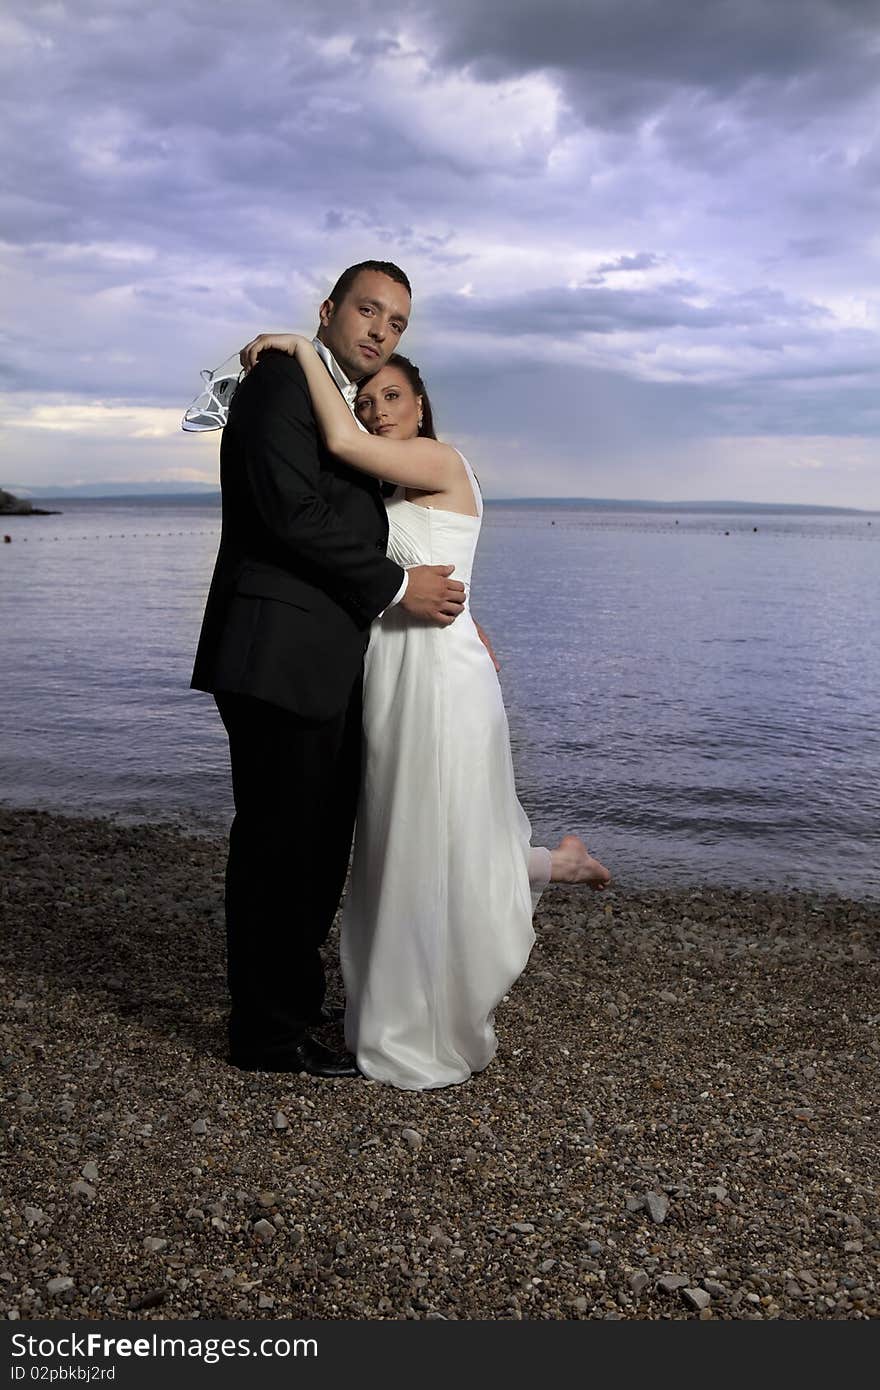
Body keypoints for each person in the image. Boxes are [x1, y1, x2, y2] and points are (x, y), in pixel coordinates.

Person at [237, 332, 611, 1089]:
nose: (377, 412)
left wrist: (301, 351)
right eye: (370, 400)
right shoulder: (389, 492)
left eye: (393, 397)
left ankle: (426, 1022)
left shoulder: (439, 461)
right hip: (393, 675)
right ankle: (548, 867)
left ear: (422, 406)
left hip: (439, 679)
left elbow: (336, 437)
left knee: (429, 830)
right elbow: (409, 567)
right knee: (403, 839)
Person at [191, 260, 468, 1078]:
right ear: (329, 310)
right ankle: (267, 1037)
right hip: (277, 652)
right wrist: (394, 586)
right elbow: (290, 512)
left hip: (324, 660)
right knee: (281, 849)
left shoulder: (332, 402)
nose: (381, 331)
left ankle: (292, 1014)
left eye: (397, 324)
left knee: (313, 851)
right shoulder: (278, 383)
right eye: (368, 311)